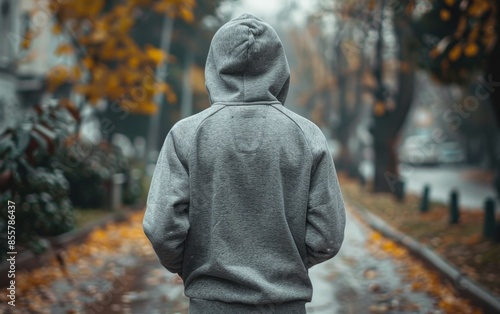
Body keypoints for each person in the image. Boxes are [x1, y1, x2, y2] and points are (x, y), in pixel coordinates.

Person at [143, 13, 346, 314]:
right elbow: (328, 235)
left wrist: (190, 268)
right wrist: (288, 266)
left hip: (210, 305)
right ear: (279, 66)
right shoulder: (306, 135)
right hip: (285, 305)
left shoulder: (186, 135)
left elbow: (162, 228)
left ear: (214, 64)